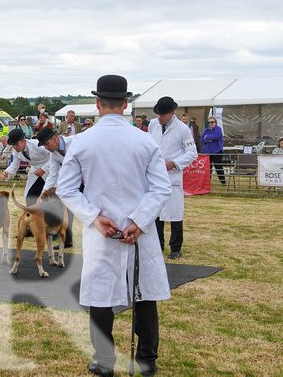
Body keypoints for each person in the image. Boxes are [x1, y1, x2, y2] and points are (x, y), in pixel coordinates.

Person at [56, 75, 172, 377]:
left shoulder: (82, 141)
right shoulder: (145, 139)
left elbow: (65, 188)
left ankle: (105, 361)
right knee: (142, 292)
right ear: (125, 104)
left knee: (101, 295)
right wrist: (139, 220)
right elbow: (161, 189)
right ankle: (147, 359)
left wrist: (94, 216)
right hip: (137, 230)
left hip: (103, 230)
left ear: (97, 104)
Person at [148, 96, 198, 259]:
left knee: (175, 214)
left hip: (172, 176)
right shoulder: (153, 125)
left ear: (172, 113)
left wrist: (174, 163)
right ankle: (158, 245)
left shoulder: (183, 129)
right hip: (155, 176)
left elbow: (192, 153)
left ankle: (175, 247)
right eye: (158, 114)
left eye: (163, 115)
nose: (159, 117)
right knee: (156, 213)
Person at [36, 127, 78, 248]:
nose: (46, 147)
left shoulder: (75, 141)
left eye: (47, 144)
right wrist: (43, 194)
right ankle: (67, 240)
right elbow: (52, 175)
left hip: (86, 178)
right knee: (67, 209)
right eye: (44, 145)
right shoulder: (53, 154)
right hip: (71, 182)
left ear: (54, 139)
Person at [1, 128, 50, 207]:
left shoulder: (38, 145)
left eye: (17, 144)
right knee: (30, 198)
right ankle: (33, 217)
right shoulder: (16, 151)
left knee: (51, 198)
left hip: (50, 170)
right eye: (13, 145)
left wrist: (44, 169)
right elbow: (14, 164)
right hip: (35, 172)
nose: (15, 147)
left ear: (23, 141)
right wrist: (7, 173)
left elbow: (53, 157)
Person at [201, 116, 226, 186]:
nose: (210, 123)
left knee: (218, 167)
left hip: (217, 151)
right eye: (209, 122)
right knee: (208, 168)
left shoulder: (218, 129)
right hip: (207, 151)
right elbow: (202, 139)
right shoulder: (206, 130)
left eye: (212, 122)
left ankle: (223, 182)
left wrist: (207, 137)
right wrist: (209, 139)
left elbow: (216, 137)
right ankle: (207, 183)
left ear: (215, 122)